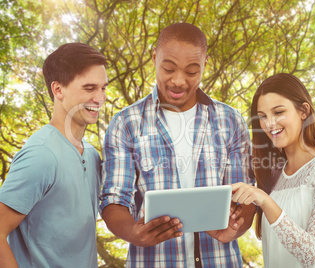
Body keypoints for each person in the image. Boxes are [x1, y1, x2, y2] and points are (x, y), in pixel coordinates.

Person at [100, 22, 256, 267]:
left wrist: (236, 227)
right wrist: (133, 233)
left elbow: (246, 196)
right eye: (168, 68)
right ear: (154, 58)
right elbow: (113, 200)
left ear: (205, 65)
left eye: (192, 71)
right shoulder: (126, 123)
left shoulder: (230, 121)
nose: (178, 81)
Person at [231, 73, 315, 267]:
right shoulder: (273, 174)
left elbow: (312, 254)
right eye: (262, 117)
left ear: (303, 111)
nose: (269, 124)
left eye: (278, 112)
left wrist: (265, 201)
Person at [0, 43, 108, 268]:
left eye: (103, 88)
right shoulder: (41, 155)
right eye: (89, 88)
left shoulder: (91, 154)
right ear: (58, 90)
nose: (99, 98)